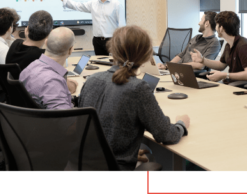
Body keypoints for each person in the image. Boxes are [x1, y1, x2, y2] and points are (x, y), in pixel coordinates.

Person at [79, 25, 190, 172]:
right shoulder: (137, 88)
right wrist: (182, 124)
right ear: (146, 55)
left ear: (112, 50)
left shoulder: (91, 80)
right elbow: (166, 135)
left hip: (83, 165)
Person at [52, 0, 125, 56]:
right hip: (97, 41)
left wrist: (119, 43)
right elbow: (77, 6)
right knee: (100, 65)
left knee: (113, 64)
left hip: (111, 41)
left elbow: (122, 26)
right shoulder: (93, 4)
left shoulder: (117, 4)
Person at [20, 27, 78, 109]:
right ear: (70, 50)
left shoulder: (29, 68)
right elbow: (63, 119)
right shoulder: (52, 82)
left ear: (46, 43)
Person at [191, 11, 247, 83]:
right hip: (230, 84)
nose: (215, 28)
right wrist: (203, 60)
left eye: (216, 25)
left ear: (221, 28)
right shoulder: (228, 45)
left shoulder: (243, 45)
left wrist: (225, 75)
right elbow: (221, 65)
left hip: (239, 89)